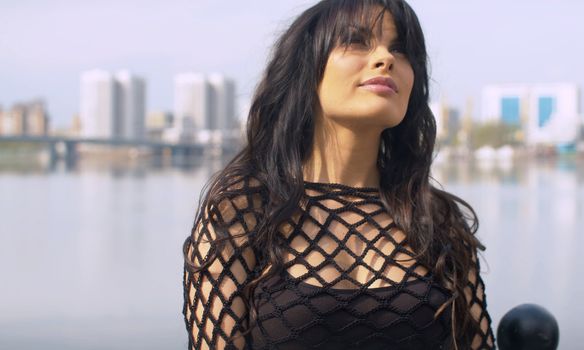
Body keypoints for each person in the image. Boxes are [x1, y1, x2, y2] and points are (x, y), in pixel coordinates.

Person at [182, 0, 495, 349]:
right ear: (307, 69)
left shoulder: (438, 221)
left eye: (401, 49)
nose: (385, 58)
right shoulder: (243, 212)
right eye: (357, 41)